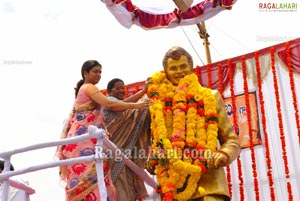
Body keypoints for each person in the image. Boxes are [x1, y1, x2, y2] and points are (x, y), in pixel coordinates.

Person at [146, 46, 241, 201]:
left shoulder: (210, 96)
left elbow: (231, 141)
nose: (179, 72)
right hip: (174, 187)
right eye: (173, 68)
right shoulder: (158, 105)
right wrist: (153, 161)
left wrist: (223, 154)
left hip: (209, 184)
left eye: (183, 66)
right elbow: (155, 143)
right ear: (166, 72)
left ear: (191, 67)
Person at [56, 60, 149, 201]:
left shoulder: (86, 89)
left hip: (84, 141)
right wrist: (138, 106)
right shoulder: (89, 88)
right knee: (91, 178)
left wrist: (142, 94)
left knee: (90, 179)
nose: (98, 75)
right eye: (95, 72)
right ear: (85, 73)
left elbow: (119, 104)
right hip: (86, 141)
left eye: (100, 72)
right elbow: (110, 104)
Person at [103, 78, 151, 201]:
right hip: (112, 154)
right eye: (117, 88)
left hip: (125, 153)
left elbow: (127, 105)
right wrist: (142, 95)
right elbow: (127, 104)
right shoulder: (110, 102)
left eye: (122, 88)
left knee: (127, 183)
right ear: (109, 91)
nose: (121, 91)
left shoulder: (124, 107)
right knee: (117, 184)